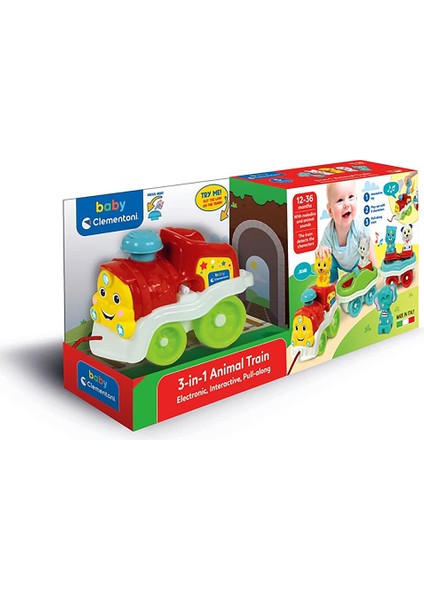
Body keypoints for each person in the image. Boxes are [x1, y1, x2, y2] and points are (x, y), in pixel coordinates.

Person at [315, 180, 377, 283]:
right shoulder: (329, 231)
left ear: (356, 199)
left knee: (360, 275)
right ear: (330, 210)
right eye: (340, 200)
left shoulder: (359, 226)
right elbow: (323, 249)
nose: (347, 204)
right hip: (338, 262)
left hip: (357, 262)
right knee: (328, 259)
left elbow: (369, 245)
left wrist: (375, 270)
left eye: (351, 197)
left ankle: (355, 277)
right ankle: (332, 283)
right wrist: (322, 250)